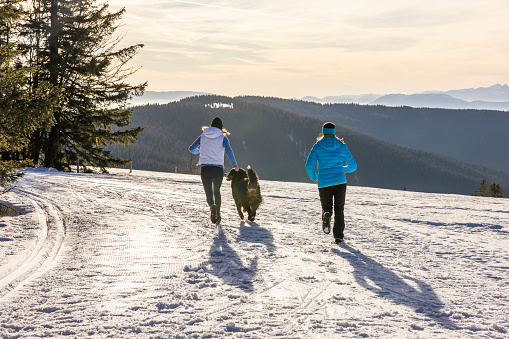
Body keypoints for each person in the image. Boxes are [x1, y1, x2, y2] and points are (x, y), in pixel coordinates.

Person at [305, 122, 357, 244]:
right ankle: (338, 237)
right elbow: (353, 166)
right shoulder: (341, 145)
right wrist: (342, 169)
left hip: (324, 183)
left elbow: (309, 166)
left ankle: (327, 215)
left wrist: (315, 177)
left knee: (326, 207)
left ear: (323, 132)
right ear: (334, 132)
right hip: (340, 182)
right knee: (339, 209)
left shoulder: (317, 146)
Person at [189, 117, 239, 223]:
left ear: (211, 126)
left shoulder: (203, 136)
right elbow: (229, 151)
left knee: (209, 194)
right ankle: (218, 215)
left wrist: (197, 151)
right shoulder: (223, 138)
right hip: (218, 169)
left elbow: (191, 148)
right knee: (217, 192)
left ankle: (212, 207)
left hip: (205, 169)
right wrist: (235, 165)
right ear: (221, 128)